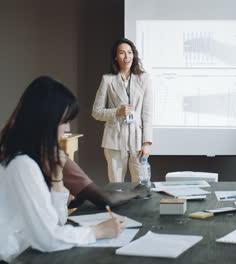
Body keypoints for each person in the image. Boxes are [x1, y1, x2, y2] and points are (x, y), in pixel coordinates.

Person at [0, 76, 125, 263]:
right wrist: (97, 231)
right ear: (46, 121)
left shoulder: (27, 158)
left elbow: (56, 222)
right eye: (64, 121)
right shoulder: (21, 164)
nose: (67, 129)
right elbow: (49, 239)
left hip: (29, 253)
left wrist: (57, 178)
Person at [92, 38, 153, 183]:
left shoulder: (144, 79)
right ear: (115, 57)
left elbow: (148, 113)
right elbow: (96, 112)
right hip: (114, 141)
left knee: (141, 186)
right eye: (122, 53)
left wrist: (147, 143)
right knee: (116, 186)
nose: (127, 57)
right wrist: (116, 112)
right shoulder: (107, 80)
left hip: (137, 141)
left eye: (130, 52)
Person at [64, 158, 151, 209]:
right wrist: (136, 192)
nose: (67, 128)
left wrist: (75, 202)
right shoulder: (58, 158)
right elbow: (106, 199)